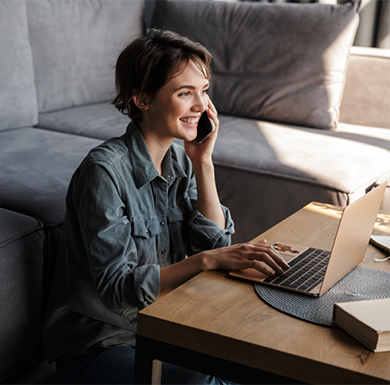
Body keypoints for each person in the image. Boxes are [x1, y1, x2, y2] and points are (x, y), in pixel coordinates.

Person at [43, 29, 289, 385]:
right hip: (100, 345)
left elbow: (215, 245)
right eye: (184, 93)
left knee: (262, 362)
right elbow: (116, 288)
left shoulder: (180, 159)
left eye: (203, 91)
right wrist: (205, 262)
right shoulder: (103, 172)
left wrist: (204, 163)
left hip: (163, 330)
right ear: (143, 99)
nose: (201, 105)